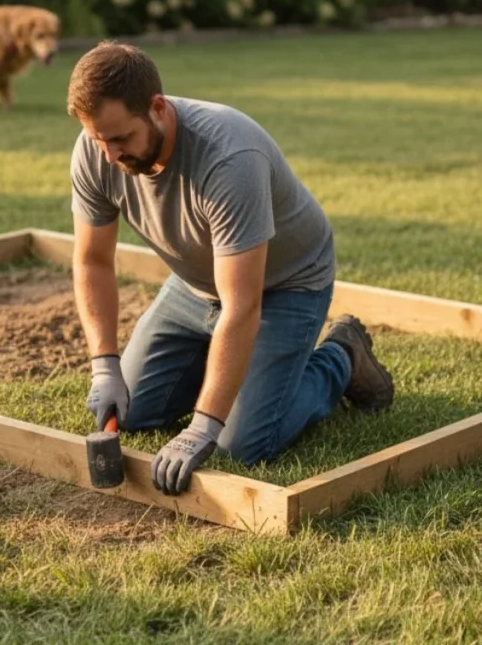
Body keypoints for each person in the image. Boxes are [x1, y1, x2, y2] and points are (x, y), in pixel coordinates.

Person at [66, 41, 394, 497]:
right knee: (131, 411)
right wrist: (104, 365)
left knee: (237, 443)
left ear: (157, 107)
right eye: (99, 138)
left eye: (121, 139)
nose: (110, 155)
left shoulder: (228, 158)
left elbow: (242, 305)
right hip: (196, 284)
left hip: (286, 283)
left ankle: (342, 356)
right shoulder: (96, 150)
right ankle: (231, 367)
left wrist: (204, 425)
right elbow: (92, 260)